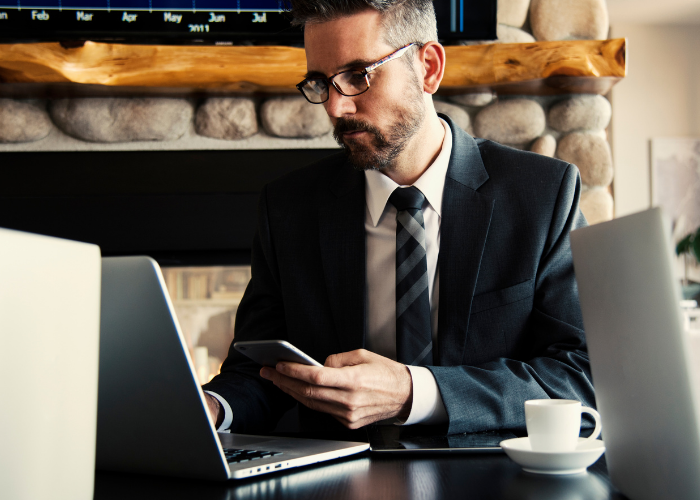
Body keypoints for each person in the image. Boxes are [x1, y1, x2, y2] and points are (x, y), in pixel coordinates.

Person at [202, 0, 595, 436]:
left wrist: (415, 393)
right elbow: (260, 375)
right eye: (320, 82)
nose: (335, 108)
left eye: (358, 76)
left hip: (491, 476)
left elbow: (580, 374)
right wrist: (213, 408)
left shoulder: (542, 194)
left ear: (428, 67)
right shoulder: (288, 208)